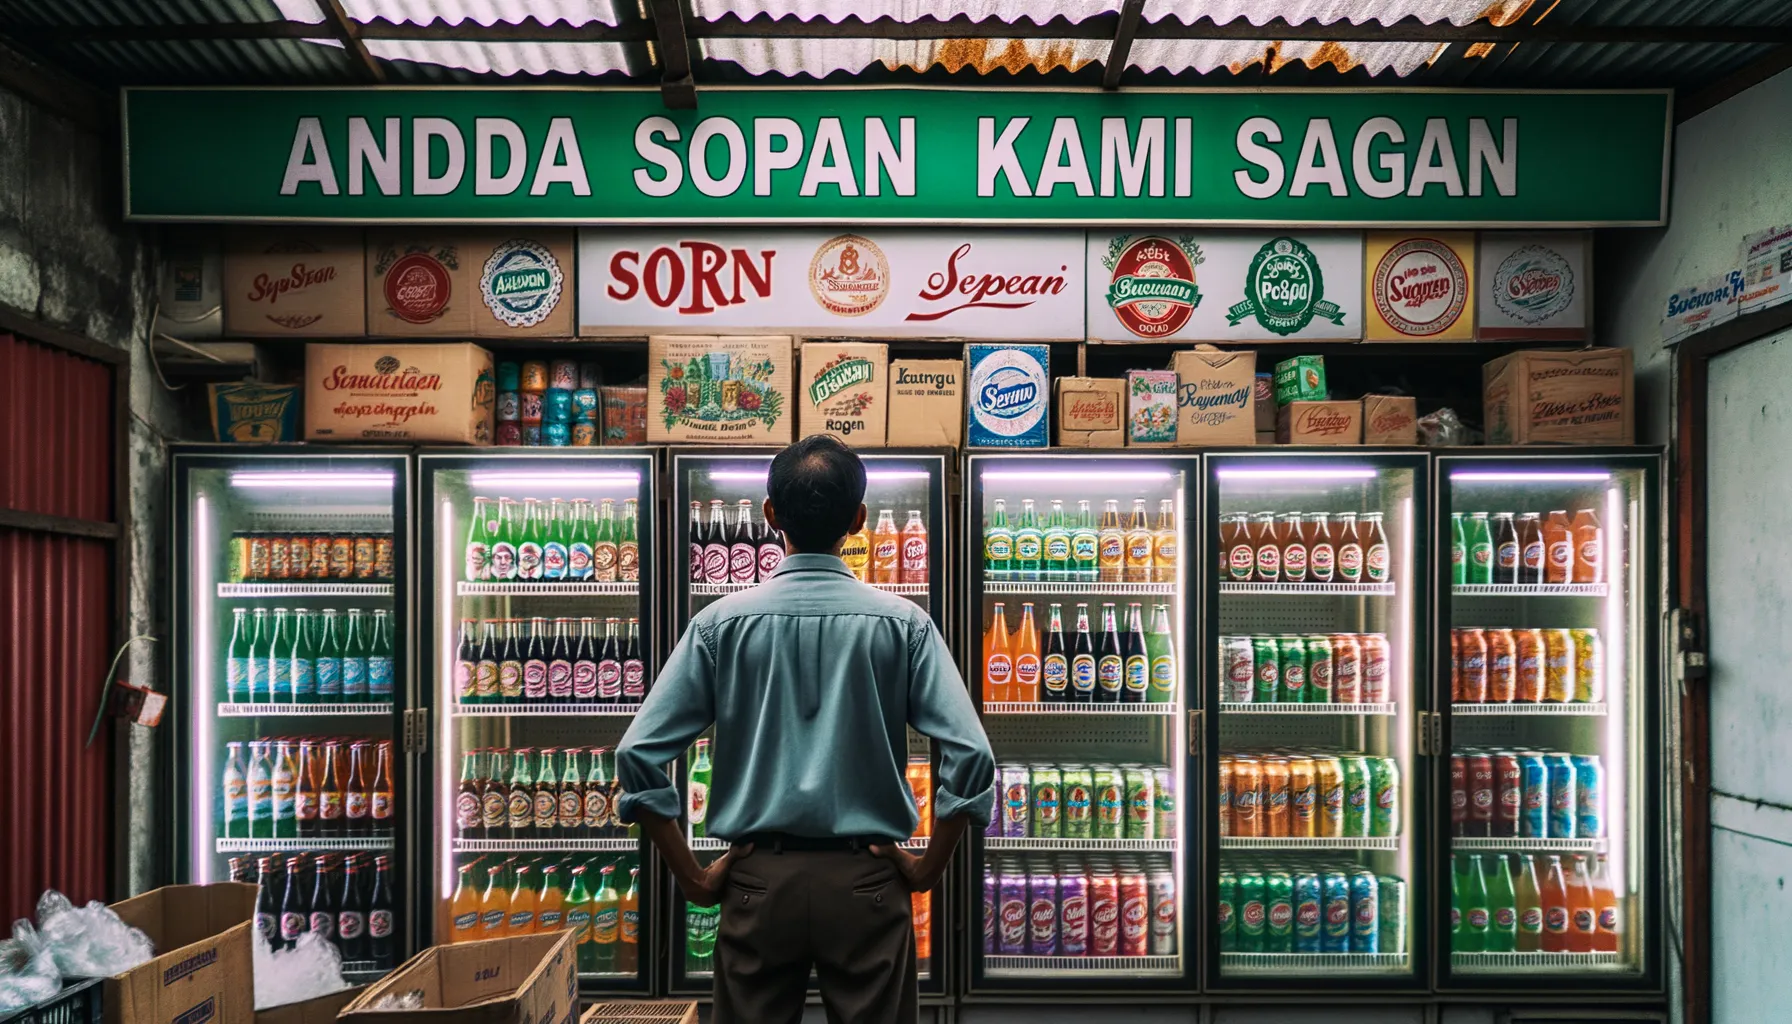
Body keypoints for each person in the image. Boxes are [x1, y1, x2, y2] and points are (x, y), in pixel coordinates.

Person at [617, 435, 994, 1024]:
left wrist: (692, 878)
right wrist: (925, 870)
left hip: (757, 881)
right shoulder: (904, 625)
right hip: (867, 883)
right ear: (860, 520)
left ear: (770, 515)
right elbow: (971, 755)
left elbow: (638, 752)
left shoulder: (721, 624)